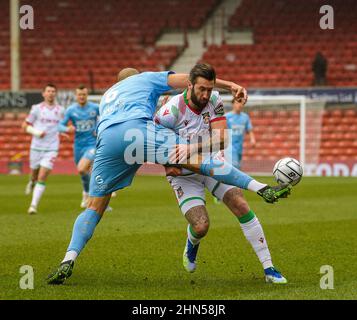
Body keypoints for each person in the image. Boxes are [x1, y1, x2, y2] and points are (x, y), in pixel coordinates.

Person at [47, 63, 291, 285]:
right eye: (202, 88)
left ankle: (68, 259)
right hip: (149, 140)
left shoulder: (108, 96)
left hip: (109, 141)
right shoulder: (154, 90)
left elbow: (219, 136)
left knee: (94, 206)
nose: (206, 93)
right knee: (197, 199)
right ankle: (260, 187)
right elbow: (184, 79)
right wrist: (231, 85)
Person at [154, 76, 286, 283]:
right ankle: (192, 242)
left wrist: (192, 147)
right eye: (201, 90)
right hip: (185, 177)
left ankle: (269, 268)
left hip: (212, 162)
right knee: (201, 226)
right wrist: (167, 165)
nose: (206, 95)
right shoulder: (169, 112)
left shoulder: (214, 99)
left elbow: (222, 139)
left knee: (240, 204)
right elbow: (154, 145)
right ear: (190, 86)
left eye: (209, 89)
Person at [22, 84, 65, 214]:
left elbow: (62, 125)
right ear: (43, 93)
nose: (51, 93)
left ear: (55, 94)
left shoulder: (61, 110)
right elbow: (24, 125)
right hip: (36, 147)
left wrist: (64, 131)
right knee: (34, 173)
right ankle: (31, 181)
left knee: (42, 176)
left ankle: (33, 206)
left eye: (53, 91)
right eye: (48, 91)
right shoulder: (36, 109)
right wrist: (36, 132)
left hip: (52, 148)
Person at [58, 85, 100, 208]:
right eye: (79, 95)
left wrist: (98, 127)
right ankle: (87, 193)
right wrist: (67, 128)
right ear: (76, 96)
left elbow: (106, 117)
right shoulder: (71, 110)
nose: (82, 97)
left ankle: (92, 194)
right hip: (78, 146)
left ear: (87, 95)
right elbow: (59, 125)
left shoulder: (95, 108)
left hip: (91, 144)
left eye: (84, 94)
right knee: (83, 173)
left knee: (82, 168)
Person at [225, 96, 255, 170]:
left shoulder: (245, 117)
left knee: (237, 166)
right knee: (235, 166)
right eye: (238, 102)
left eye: (242, 103)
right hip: (229, 146)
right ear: (233, 104)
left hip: (239, 146)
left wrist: (252, 139)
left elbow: (249, 129)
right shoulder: (227, 117)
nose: (240, 105)